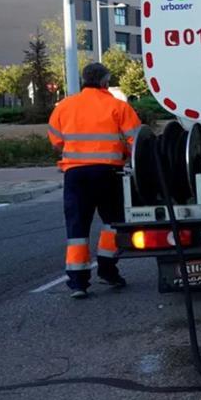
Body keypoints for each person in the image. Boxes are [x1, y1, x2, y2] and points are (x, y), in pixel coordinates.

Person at [47, 62, 141, 299]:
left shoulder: (65, 106)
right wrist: (125, 154)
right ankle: (108, 270)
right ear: (105, 81)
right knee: (112, 222)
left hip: (76, 174)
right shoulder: (118, 107)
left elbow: (56, 139)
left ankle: (78, 282)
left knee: (77, 228)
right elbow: (137, 141)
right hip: (108, 173)